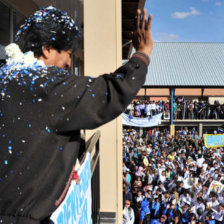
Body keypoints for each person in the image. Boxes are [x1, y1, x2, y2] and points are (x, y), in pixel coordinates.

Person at [0, 6, 153, 224]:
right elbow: (109, 92)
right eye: (69, 54)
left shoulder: (5, 77)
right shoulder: (47, 86)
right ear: (48, 49)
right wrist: (142, 54)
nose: (70, 63)